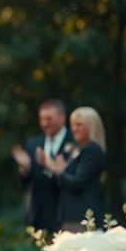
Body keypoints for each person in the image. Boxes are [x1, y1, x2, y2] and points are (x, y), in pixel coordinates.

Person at [12, 99, 74, 233]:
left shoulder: (73, 142)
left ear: (62, 118)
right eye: (42, 119)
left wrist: (56, 169)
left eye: (49, 119)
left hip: (66, 215)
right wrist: (25, 169)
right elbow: (26, 183)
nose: (45, 123)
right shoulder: (33, 144)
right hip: (39, 218)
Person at [40, 106, 106, 232]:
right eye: (72, 125)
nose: (74, 129)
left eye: (79, 124)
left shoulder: (92, 150)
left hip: (81, 218)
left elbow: (77, 182)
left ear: (91, 125)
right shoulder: (79, 150)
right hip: (71, 217)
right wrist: (61, 171)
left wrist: (54, 168)